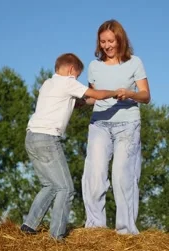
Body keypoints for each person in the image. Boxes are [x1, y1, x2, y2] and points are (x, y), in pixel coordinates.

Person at [21, 53, 122, 240]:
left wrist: (90, 99)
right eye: (77, 76)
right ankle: (56, 236)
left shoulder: (48, 84)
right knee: (66, 189)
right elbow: (96, 95)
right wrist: (115, 93)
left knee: (50, 185)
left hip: (31, 138)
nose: (77, 80)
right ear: (71, 70)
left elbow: (78, 103)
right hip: (48, 138)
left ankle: (29, 225)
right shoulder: (68, 82)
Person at [81, 19, 151, 235]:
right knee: (95, 174)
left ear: (120, 39)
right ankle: (95, 229)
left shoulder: (134, 63)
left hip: (127, 125)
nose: (107, 46)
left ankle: (126, 231)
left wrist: (130, 94)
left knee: (122, 176)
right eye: (103, 42)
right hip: (100, 123)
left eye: (111, 41)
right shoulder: (94, 66)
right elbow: (93, 96)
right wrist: (77, 101)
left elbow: (146, 95)